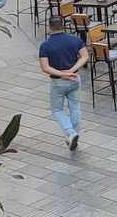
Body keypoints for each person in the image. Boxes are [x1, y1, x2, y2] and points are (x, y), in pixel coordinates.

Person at [37, 16, 88, 151]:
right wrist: (72, 71)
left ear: (49, 27)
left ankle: (71, 133)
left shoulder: (45, 45)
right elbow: (85, 56)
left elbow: (45, 67)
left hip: (58, 81)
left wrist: (62, 74)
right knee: (75, 107)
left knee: (57, 109)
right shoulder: (75, 40)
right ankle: (73, 135)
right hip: (75, 78)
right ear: (63, 25)